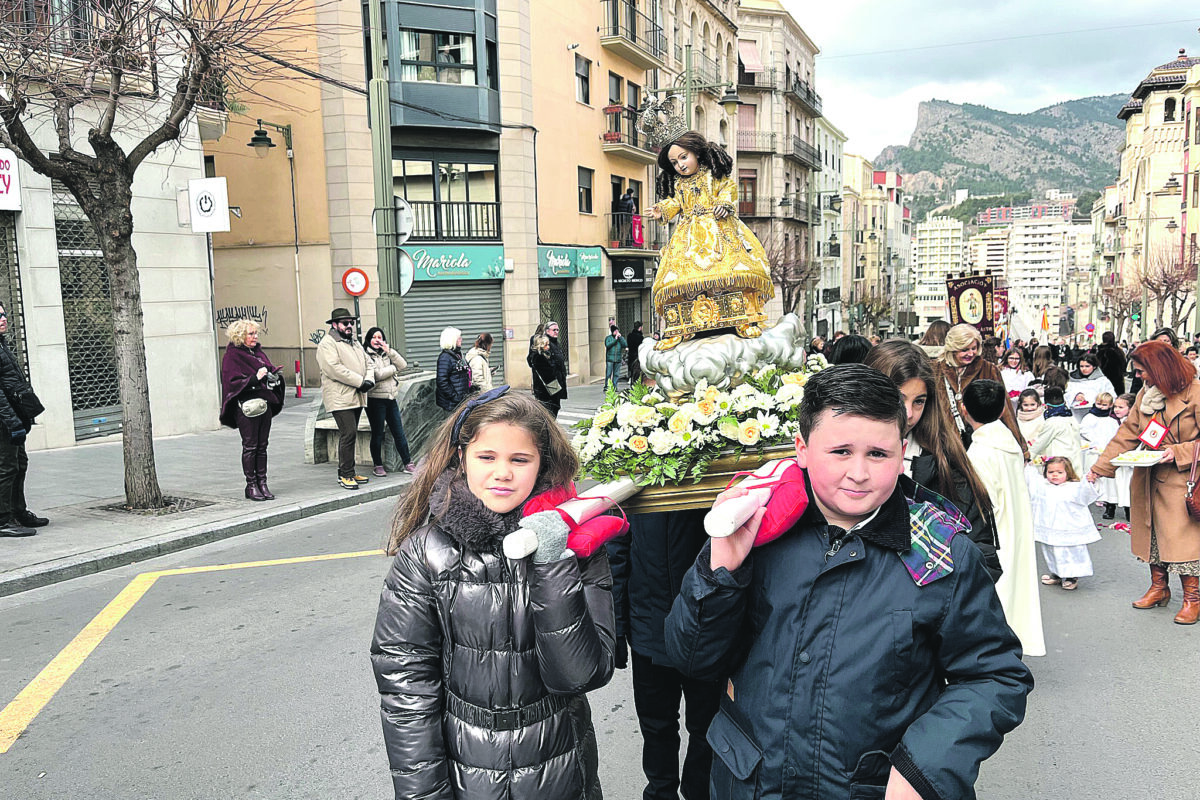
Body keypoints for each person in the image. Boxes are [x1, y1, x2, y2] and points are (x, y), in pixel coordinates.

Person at [663, 365, 1032, 799]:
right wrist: (721, 571)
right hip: (752, 783)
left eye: (879, 454)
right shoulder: (755, 529)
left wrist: (926, 765)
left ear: (902, 449)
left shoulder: (942, 553)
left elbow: (993, 676)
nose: (859, 473)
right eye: (840, 451)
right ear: (801, 448)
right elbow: (693, 657)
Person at [369, 388, 615, 800]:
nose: (503, 472)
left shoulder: (577, 546)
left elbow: (582, 674)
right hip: (466, 769)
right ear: (461, 457)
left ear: (543, 466)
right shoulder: (425, 553)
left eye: (520, 460)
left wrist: (553, 564)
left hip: (559, 765)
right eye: (488, 457)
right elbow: (405, 684)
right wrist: (423, 792)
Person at [606, 510, 721, 800]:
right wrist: (616, 628)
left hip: (705, 631)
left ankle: (698, 791)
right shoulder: (632, 475)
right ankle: (660, 792)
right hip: (649, 628)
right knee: (656, 730)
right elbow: (616, 551)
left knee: (708, 729)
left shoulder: (710, 477)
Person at [863, 339, 1001, 581]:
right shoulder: (836, 458)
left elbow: (984, 558)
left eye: (919, 401)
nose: (908, 413)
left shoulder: (946, 464)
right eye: (897, 398)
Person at [1088, 341, 1200, 625]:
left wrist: (1175, 452)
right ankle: (1158, 588)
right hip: (1148, 475)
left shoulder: (1196, 393)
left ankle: (1192, 599)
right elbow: (1127, 433)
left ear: (1160, 368)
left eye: (1141, 371)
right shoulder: (1145, 396)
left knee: (1184, 540)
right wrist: (1099, 468)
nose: (1138, 376)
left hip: (1183, 478)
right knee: (1151, 535)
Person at [647, 130, 772, 349]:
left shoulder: (712, 175)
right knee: (680, 275)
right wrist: (662, 209)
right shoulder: (679, 184)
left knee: (729, 268)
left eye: (683, 157)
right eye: (675, 162)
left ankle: (739, 310)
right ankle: (686, 317)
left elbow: (728, 189)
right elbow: (676, 203)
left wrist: (724, 205)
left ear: (696, 152)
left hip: (718, 229)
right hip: (688, 234)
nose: (680, 166)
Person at [962, 379, 1046, 657]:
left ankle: (995, 651)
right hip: (1017, 521)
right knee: (1015, 587)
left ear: (963, 409)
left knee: (999, 589)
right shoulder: (1006, 440)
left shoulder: (980, 451)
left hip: (997, 528)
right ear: (1001, 411)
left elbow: (984, 500)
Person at [934, 323, 1027, 456]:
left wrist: (1020, 445)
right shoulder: (936, 370)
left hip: (981, 444)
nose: (971, 353)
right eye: (965, 349)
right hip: (944, 444)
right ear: (953, 348)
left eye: (974, 348)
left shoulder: (988, 369)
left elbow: (1005, 409)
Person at [219, 319, 285, 501]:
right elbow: (231, 383)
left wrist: (273, 375)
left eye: (256, 333)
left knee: (262, 446)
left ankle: (262, 483)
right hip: (246, 408)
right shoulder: (232, 356)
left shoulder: (257, 352)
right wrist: (255, 378)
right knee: (250, 446)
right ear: (240, 336)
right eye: (251, 334)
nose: (255, 337)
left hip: (264, 404)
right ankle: (251, 485)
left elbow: (268, 368)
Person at [0, 303, 48, 536]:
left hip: (12, 417)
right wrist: (12, 422)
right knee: (6, 468)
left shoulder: (2, 344)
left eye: (3, 314)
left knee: (19, 465)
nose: (2, 319)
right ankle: (3, 521)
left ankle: (18, 511)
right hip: (3, 420)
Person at [317, 307, 374, 491]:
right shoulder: (328, 343)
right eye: (345, 323)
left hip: (355, 396)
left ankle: (349, 469)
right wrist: (360, 382)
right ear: (335, 325)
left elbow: (368, 362)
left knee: (351, 434)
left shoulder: (354, 342)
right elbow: (334, 368)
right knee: (348, 433)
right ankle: (345, 475)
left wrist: (369, 379)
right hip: (340, 397)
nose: (349, 326)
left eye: (351, 322)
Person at [1027, 457, 1102, 591]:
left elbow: (1086, 495)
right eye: (1051, 472)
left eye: (1059, 472)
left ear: (1068, 472)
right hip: (1049, 527)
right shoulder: (1042, 486)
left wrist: (1090, 481)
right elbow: (1030, 478)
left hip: (1068, 527)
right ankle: (1056, 574)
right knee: (1051, 551)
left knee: (1070, 553)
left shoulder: (1075, 487)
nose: (1055, 475)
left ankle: (1071, 576)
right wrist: (1027, 464)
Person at [362, 326, 416, 477]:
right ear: (369, 339)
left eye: (380, 337)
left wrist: (389, 351)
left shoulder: (386, 354)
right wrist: (394, 368)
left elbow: (403, 365)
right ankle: (378, 465)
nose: (377, 340)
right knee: (378, 433)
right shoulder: (366, 355)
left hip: (390, 398)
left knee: (399, 432)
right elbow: (377, 375)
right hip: (375, 400)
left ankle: (408, 463)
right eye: (374, 337)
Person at [1028, 386, 1084, 476]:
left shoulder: (1052, 422)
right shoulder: (1072, 418)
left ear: (1046, 404)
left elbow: (1040, 443)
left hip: (1060, 463)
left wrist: (1027, 458)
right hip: (1075, 459)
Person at [435, 327, 471, 412]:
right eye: (459, 338)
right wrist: (455, 396)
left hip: (461, 401)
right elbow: (442, 381)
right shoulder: (445, 357)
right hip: (452, 404)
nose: (461, 340)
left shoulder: (457, 355)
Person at [530, 335, 563, 417]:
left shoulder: (543, 355)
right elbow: (548, 374)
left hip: (545, 388)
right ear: (540, 345)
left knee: (548, 409)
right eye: (546, 345)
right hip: (547, 388)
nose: (548, 347)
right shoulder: (539, 358)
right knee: (550, 409)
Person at [1097, 330, 1127, 395]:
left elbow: (1100, 367)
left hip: (1105, 381)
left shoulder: (1103, 352)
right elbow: (1124, 365)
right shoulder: (1119, 351)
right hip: (1118, 381)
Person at [604, 323, 626, 391]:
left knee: (616, 374)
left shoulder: (620, 338)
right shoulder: (608, 338)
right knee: (608, 374)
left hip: (618, 359)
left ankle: (614, 386)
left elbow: (624, 344)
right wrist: (615, 339)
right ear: (612, 331)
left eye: (617, 331)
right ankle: (607, 387)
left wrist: (621, 338)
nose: (616, 332)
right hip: (610, 359)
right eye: (615, 331)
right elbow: (608, 345)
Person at [627, 321, 645, 385]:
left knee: (632, 371)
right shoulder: (640, 337)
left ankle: (631, 382)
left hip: (631, 356)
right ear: (640, 328)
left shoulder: (629, 336)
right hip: (637, 356)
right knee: (637, 373)